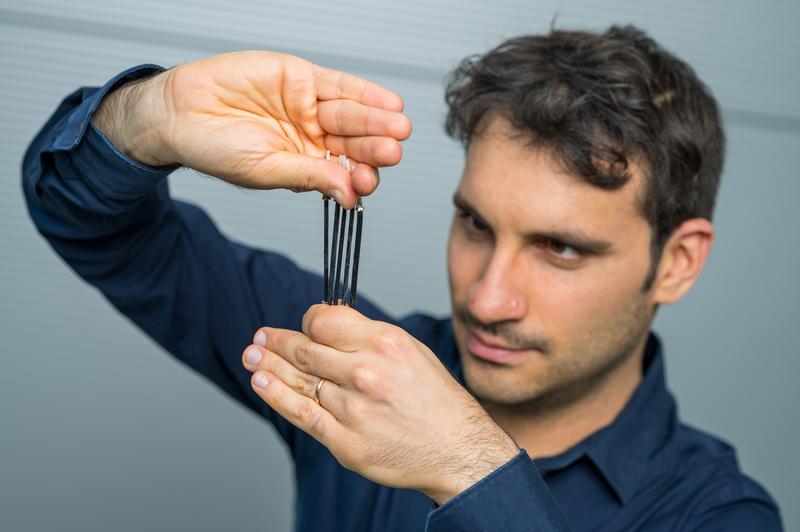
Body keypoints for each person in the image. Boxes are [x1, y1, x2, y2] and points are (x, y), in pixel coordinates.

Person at [22, 24, 782, 531]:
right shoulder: (348, 364)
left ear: (676, 262)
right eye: (476, 224)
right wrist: (149, 118)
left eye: (562, 250)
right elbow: (94, 224)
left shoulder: (717, 512)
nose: (487, 299)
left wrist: (472, 470)